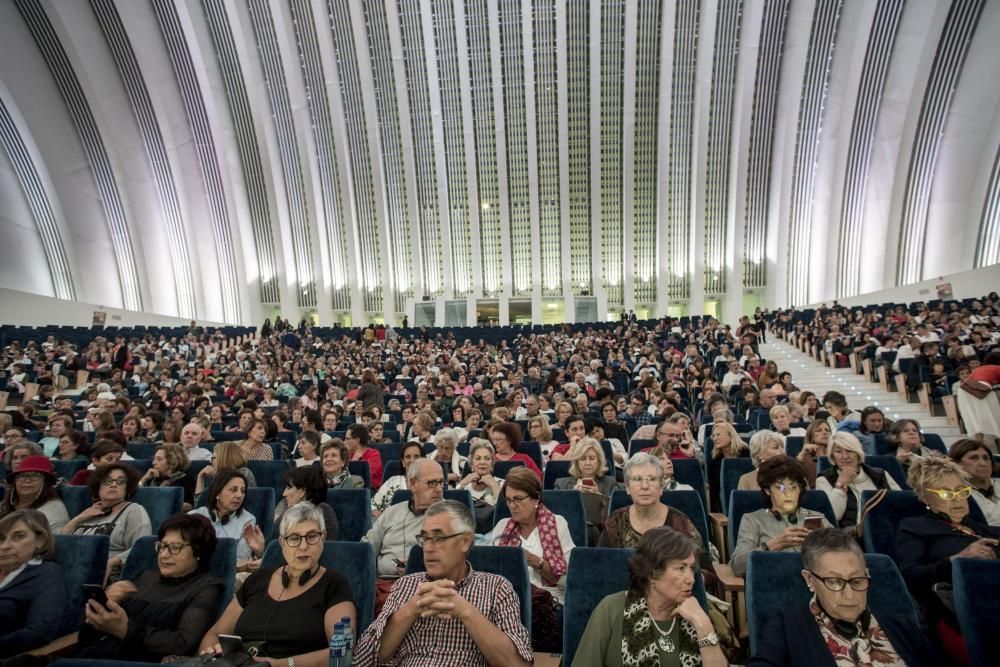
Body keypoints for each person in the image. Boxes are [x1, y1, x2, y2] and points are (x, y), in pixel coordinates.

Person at [355, 500, 533, 667]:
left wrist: (466, 612)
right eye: (425, 538)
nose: (428, 548)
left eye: (439, 538)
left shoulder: (496, 588)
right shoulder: (405, 585)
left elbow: (519, 664)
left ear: (465, 541)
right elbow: (363, 660)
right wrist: (409, 611)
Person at [747, 528, 937, 666]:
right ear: (810, 580)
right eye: (835, 582)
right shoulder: (786, 627)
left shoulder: (902, 625)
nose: (849, 595)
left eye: (856, 580)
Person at [199, 502, 356, 664]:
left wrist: (276, 664)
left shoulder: (335, 584)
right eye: (294, 538)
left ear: (323, 538)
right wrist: (210, 653)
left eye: (312, 537)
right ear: (282, 543)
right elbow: (214, 634)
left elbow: (343, 653)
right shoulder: (257, 580)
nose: (303, 546)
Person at [75, 513, 224, 662]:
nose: (163, 555)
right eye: (162, 546)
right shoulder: (144, 577)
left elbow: (182, 644)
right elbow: (90, 636)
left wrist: (125, 630)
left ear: (199, 552)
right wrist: (104, 606)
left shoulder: (206, 587)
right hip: (97, 656)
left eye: (175, 547)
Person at [574, 526, 726, 667]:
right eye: (681, 568)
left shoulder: (694, 614)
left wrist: (703, 623)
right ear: (652, 574)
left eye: (691, 568)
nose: (691, 579)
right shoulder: (612, 609)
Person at [894, 456, 1000, 643]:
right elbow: (909, 577)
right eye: (945, 494)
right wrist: (959, 559)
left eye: (961, 491)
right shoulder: (914, 527)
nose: (957, 500)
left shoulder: (983, 530)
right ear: (925, 497)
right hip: (957, 612)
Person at [491, 466, 575, 652]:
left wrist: (537, 563)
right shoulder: (501, 529)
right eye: (509, 500)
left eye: (519, 499)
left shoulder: (557, 524)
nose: (513, 505)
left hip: (549, 600)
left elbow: (570, 581)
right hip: (507, 602)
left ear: (536, 498)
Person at [730, 456, 832, 577]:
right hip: (773, 584)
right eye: (780, 488)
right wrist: (774, 544)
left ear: (800, 489)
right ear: (767, 490)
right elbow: (737, 565)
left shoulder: (817, 517)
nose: (788, 493)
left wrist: (822, 543)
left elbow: (842, 551)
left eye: (793, 487)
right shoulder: (753, 520)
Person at [364, 458, 444, 610]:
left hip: (425, 585)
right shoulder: (391, 512)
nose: (439, 489)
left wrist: (417, 565)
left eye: (441, 482)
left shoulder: (450, 516)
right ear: (413, 484)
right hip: (381, 583)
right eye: (432, 483)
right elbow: (367, 547)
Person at [0, 510, 65, 657]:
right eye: (1, 538)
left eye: (19, 537)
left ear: (40, 540)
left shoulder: (47, 573)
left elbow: (39, 632)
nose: (5, 546)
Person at [814, 433, 900, 528]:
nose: (845, 456)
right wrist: (841, 484)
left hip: (885, 528)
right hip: (848, 536)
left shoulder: (881, 475)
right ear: (833, 456)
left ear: (858, 453)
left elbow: (900, 504)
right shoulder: (823, 480)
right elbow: (834, 516)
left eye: (850, 451)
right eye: (838, 452)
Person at [189, 470, 261, 575]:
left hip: (225, 574)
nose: (239, 495)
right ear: (217, 493)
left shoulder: (247, 520)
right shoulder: (194, 516)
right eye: (233, 490)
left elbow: (241, 561)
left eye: (243, 491)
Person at [258, 465, 339, 542]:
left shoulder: (324, 513)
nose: (284, 493)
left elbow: (328, 550)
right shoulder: (288, 512)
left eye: (289, 487)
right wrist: (260, 551)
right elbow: (276, 547)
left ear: (302, 491)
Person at [0, 455, 69, 532]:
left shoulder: (54, 509)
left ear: (46, 482)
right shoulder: (4, 506)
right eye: (21, 476)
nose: (27, 480)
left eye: (35, 475)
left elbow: (54, 541)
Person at [948, 437, 1000, 526]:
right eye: (974, 458)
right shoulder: (957, 495)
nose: (983, 463)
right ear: (956, 464)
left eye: (986, 458)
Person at [371, 441, 426, 515]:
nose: (412, 460)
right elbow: (372, 505)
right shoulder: (392, 481)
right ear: (403, 462)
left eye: (416, 456)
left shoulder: (430, 482)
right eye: (408, 457)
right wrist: (381, 517)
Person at [707, 422, 750, 513]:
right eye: (713, 436)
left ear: (730, 436)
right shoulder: (715, 462)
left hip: (749, 499)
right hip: (727, 506)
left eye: (718, 435)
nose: (715, 438)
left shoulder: (748, 454)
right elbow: (714, 492)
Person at [554, 437, 618, 495]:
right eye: (583, 459)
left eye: (592, 458)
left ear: (599, 461)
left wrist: (598, 496)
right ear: (577, 462)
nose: (587, 463)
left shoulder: (611, 484)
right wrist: (573, 495)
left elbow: (617, 507)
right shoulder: (561, 485)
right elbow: (556, 507)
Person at [139, 443, 196, 507]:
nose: (153, 463)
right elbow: (135, 497)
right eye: (154, 459)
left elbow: (189, 506)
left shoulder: (185, 480)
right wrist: (144, 479)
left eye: (159, 459)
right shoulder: (152, 477)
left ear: (172, 461)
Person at [458, 440, 503, 507]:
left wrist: (494, 485)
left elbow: (504, 510)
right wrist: (462, 483)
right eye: (478, 458)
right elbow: (451, 507)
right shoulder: (465, 486)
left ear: (492, 462)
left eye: (487, 458)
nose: (482, 462)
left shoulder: (502, 484)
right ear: (471, 462)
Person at [346, 422, 384, 490]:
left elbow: (366, 476)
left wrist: (354, 461)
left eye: (347, 439)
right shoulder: (347, 454)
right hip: (350, 488)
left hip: (370, 490)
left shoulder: (374, 454)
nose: (344, 442)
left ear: (357, 440)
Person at [797, 419, 832, 487]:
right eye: (819, 430)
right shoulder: (804, 458)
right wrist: (801, 455)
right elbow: (794, 476)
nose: (825, 433)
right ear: (811, 436)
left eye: (827, 430)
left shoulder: (836, 456)